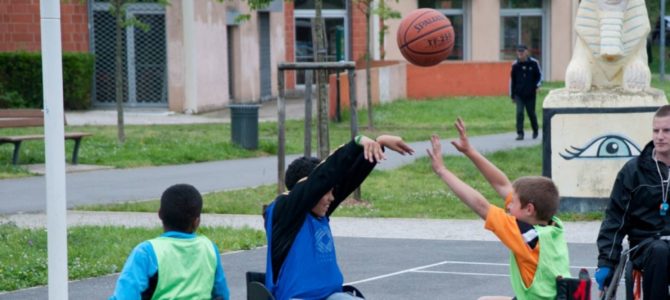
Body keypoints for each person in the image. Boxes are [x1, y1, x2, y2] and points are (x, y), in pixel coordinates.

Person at [426, 118, 570, 300]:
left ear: (529, 209)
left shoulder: (525, 236)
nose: (508, 204)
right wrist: (469, 151)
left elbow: (480, 206)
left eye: (513, 203)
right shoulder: (554, 226)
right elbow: (502, 185)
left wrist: (442, 170)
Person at [263, 134, 414, 300]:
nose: (332, 198)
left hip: (329, 296)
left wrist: (378, 143)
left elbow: (350, 177)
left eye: (332, 191)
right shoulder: (285, 211)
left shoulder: (318, 210)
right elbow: (324, 176)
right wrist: (357, 142)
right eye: (326, 192)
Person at [595, 105, 670, 299]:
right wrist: (606, 262)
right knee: (660, 252)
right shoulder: (634, 171)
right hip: (646, 244)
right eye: (656, 130)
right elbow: (615, 218)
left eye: (667, 131)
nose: (660, 136)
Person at [110, 183, 230, 300]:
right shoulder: (209, 248)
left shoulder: (146, 252)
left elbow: (125, 295)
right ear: (197, 221)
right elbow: (222, 294)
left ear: (160, 214)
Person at [510, 44, 542, 141]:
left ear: (526, 52)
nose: (520, 53)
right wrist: (512, 96)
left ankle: (535, 130)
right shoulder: (515, 65)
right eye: (519, 52)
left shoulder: (534, 63)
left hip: (530, 93)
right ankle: (520, 133)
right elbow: (512, 81)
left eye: (522, 52)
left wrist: (537, 86)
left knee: (531, 113)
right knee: (519, 113)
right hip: (519, 94)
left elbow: (539, 76)